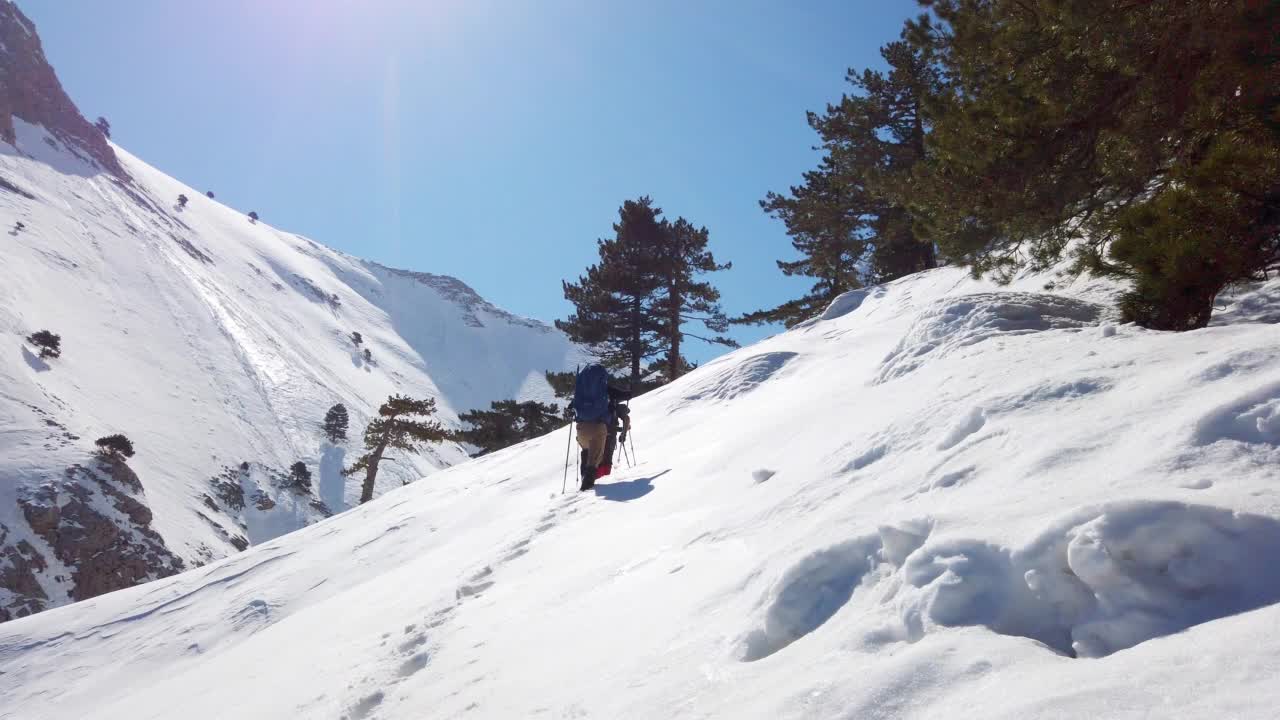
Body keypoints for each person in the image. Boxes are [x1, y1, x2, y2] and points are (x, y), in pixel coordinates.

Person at [571, 364, 611, 491]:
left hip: (581, 428)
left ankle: (584, 478)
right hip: (598, 427)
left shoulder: (581, 388)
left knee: (586, 451)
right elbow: (623, 394)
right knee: (594, 460)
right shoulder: (603, 388)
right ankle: (586, 488)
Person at [597, 383, 631, 478]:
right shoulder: (617, 406)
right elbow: (626, 419)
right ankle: (605, 478)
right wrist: (623, 434)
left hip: (596, 432)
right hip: (611, 432)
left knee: (596, 458)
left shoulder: (595, 403)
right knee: (607, 458)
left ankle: (596, 478)